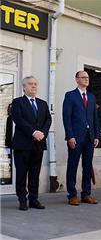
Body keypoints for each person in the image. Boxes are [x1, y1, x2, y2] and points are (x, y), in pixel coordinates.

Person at [11, 76, 52, 210]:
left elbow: (48, 120)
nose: (33, 86)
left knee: (35, 174)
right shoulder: (17, 102)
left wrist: (42, 134)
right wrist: (33, 132)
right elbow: (18, 119)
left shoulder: (43, 103)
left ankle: (34, 199)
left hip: (38, 144)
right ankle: (22, 200)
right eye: (30, 84)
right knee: (22, 174)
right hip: (22, 144)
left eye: (35, 84)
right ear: (24, 87)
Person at [62, 70, 100, 206]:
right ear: (77, 79)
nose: (86, 79)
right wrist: (70, 136)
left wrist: (96, 135)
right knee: (72, 166)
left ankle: (86, 194)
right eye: (83, 77)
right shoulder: (70, 96)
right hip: (75, 138)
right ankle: (72, 195)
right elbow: (66, 118)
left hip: (90, 138)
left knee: (87, 166)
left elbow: (95, 118)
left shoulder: (91, 97)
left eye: (87, 77)